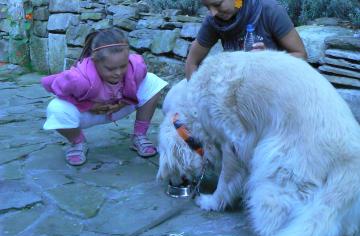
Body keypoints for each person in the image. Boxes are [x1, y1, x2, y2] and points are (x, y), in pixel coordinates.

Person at [41, 27, 168, 165]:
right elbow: (52, 86)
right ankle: (78, 142)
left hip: (118, 108)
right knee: (56, 109)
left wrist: (124, 102)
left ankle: (139, 135)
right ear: (94, 61)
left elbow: (142, 85)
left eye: (123, 66)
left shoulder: (136, 66)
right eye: (110, 68)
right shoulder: (79, 78)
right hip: (89, 113)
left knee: (153, 81)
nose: (118, 73)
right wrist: (88, 105)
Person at [185, 0, 307, 80]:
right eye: (207, 7)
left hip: (275, 87)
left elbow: (301, 55)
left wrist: (268, 59)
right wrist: (195, 100)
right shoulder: (213, 22)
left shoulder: (270, 10)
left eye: (217, 4)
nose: (212, 13)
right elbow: (192, 62)